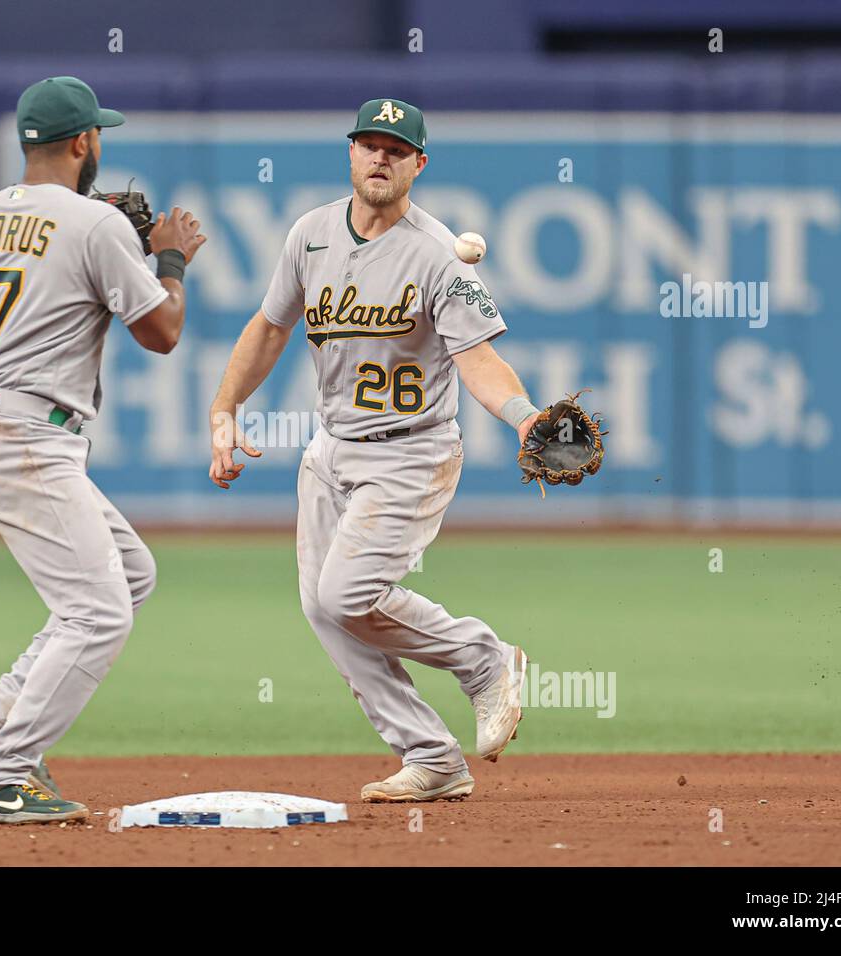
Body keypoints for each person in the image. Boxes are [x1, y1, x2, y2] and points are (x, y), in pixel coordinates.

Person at [208, 98, 536, 803]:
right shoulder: (311, 234)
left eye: (397, 147)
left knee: (346, 593)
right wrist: (225, 407)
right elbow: (269, 327)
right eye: (370, 144)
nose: (380, 156)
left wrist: (524, 416)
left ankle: (483, 658)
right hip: (331, 449)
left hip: (410, 453)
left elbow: (477, 359)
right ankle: (431, 756)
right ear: (351, 154)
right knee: (325, 609)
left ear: (419, 163)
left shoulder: (439, 255)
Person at [0, 76, 205, 823]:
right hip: (24, 434)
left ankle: (6, 705)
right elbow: (162, 332)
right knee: (100, 612)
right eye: (98, 137)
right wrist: (169, 258)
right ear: (84, 142)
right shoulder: (96, 226)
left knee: (131, 574)